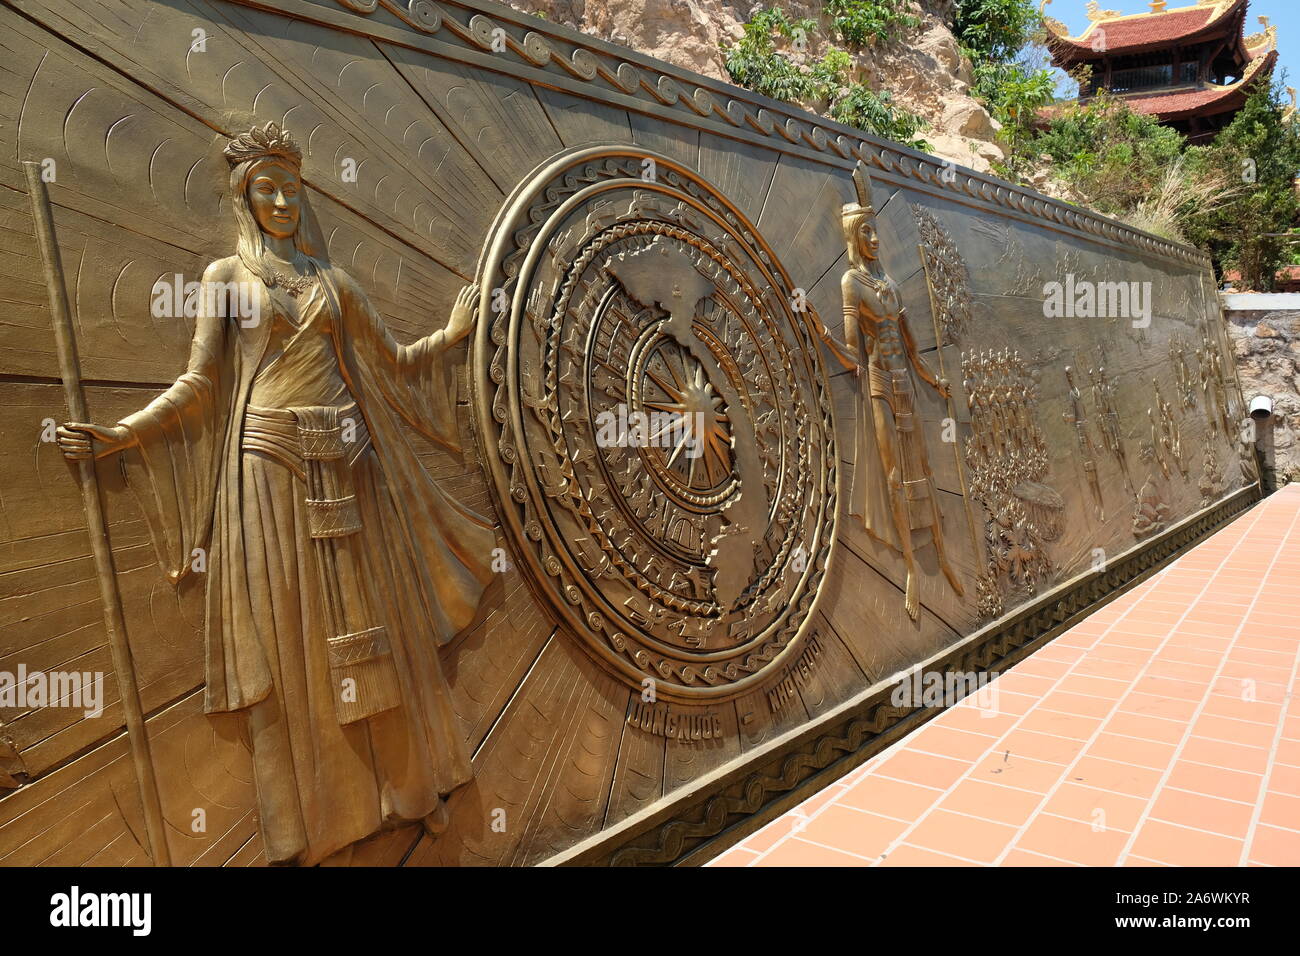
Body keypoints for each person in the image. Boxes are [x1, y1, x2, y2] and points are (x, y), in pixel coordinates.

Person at [57, 122, 494, 865]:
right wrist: (126, 432)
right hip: (267, 471)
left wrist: (451, 337)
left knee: (372, 636)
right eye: (268, 187)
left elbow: (391, 364)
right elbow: (200, 383)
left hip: (348, 467)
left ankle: (411, 792)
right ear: (245, 197)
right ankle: (320, 826)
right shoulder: (226, 279)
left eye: (294, 186)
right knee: (290, 641)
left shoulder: (335, 285)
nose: (285, 199)